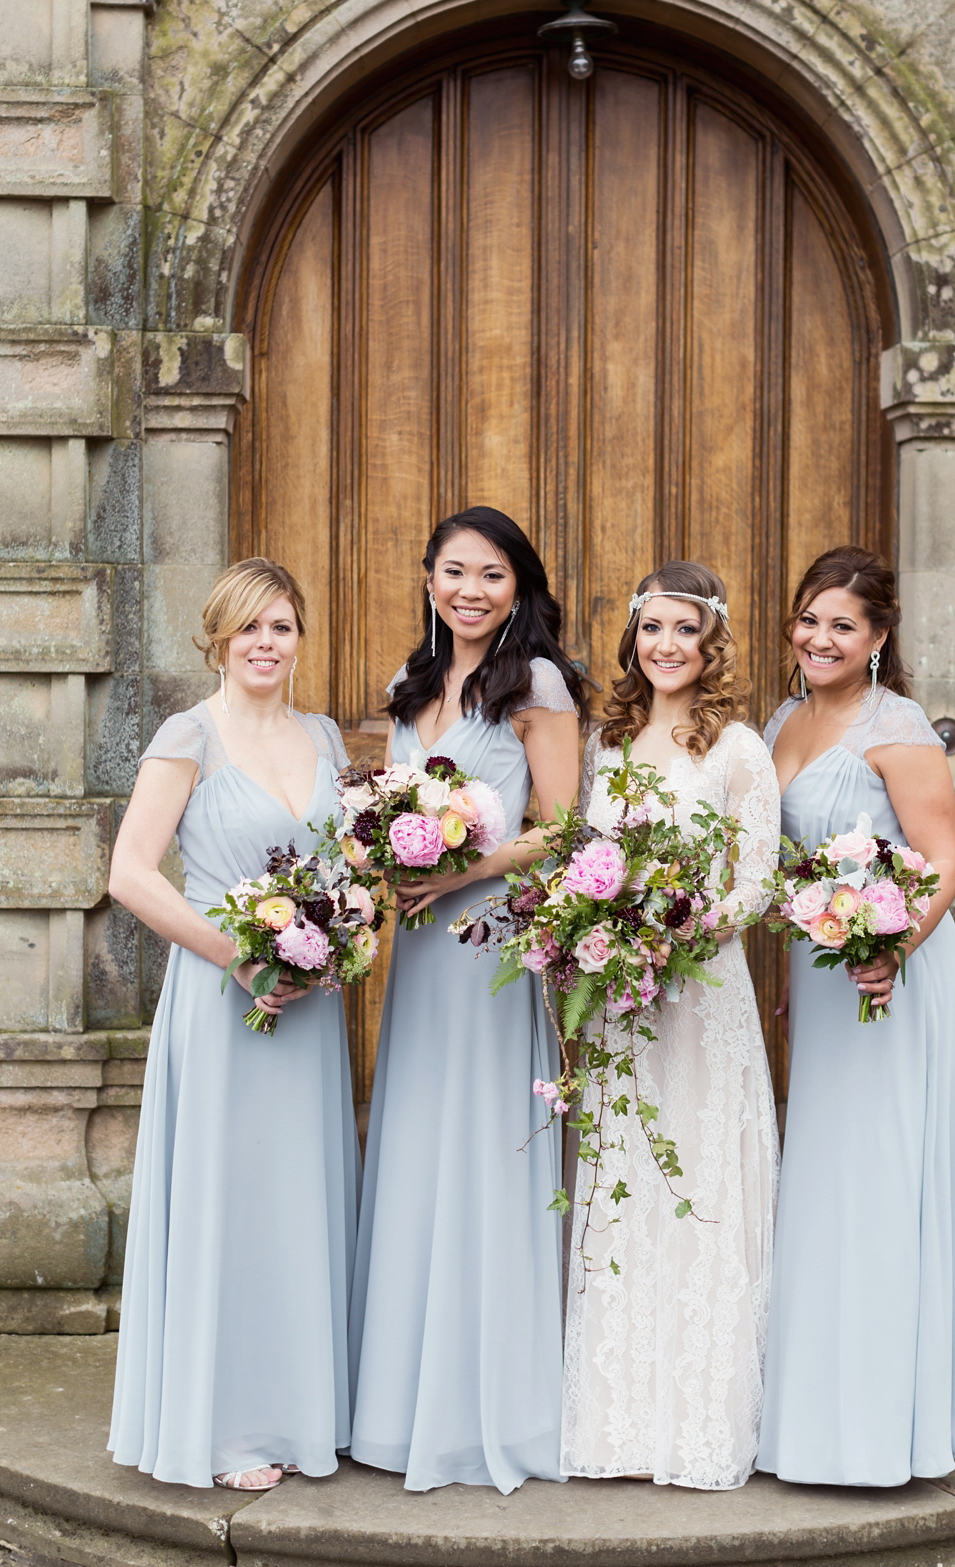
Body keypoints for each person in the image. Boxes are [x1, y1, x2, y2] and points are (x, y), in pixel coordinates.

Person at [348, 506, 586, 1494]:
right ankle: (403, 1404)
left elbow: (566, 830)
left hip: (488, 948)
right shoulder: (414, 685)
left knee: (484, 1153)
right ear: (428, 579)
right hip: (423, 964)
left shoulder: (535, 684)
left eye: (493, 574)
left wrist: (459, 870)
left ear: (519, 587)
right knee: (420, 1148)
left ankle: (489, 1407)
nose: (472, 591)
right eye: (455, 572)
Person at [107, 558, 359, 1490]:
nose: (266, 643)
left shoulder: (325, 735)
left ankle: (300, 1415)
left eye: (283, 626)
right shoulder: (189, 735)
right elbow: (130, 873)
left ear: (300, 638)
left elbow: (346, 868)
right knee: (229, 1203)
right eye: (249, 626)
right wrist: (238, 956)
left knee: (297, 1203)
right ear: (218, 637)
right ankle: (224, 1430)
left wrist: (342, 933)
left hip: (309, 1009)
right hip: (224, 1006)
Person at [756, 544, 955, 1487]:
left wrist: (893, 947)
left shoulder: (898, 731)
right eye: (810, 619)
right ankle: (815, 1421)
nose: (819, 637)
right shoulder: (780, 720)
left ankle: (886, 1433)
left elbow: (941, 862)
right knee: (825, 1192)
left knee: (881, 1192)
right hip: (822, 973)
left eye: (842, 625)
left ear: (880, 637)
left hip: (895, 978)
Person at [560, 562, 780, 1491]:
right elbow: (584, 859)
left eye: (684, 631)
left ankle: (698, 1423)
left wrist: (676, 933)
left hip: (701, 995)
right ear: (634, 639)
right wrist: (604, 932)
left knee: (701, 1182)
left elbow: (756, 878)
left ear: (710, 642)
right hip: (622, 1003)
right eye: (652, 629)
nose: (665, 647)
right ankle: (615, 1424)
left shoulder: (737, 749)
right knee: (626, 1181)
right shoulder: (606, 746)